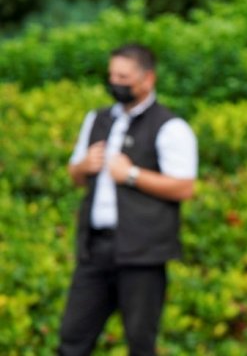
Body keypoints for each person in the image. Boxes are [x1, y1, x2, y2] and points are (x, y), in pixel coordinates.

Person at [59, 44, 198, 355]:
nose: (115, 82)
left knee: (140, 342)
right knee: (72, 337)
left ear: (147, 79)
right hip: (95, 249)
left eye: (123, 76)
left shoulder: (171, 127)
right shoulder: (96, 119)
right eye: (111, 75)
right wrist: (83, 166)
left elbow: (184, 187)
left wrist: (132, 174)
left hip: (143, 255)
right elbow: (75, 175)